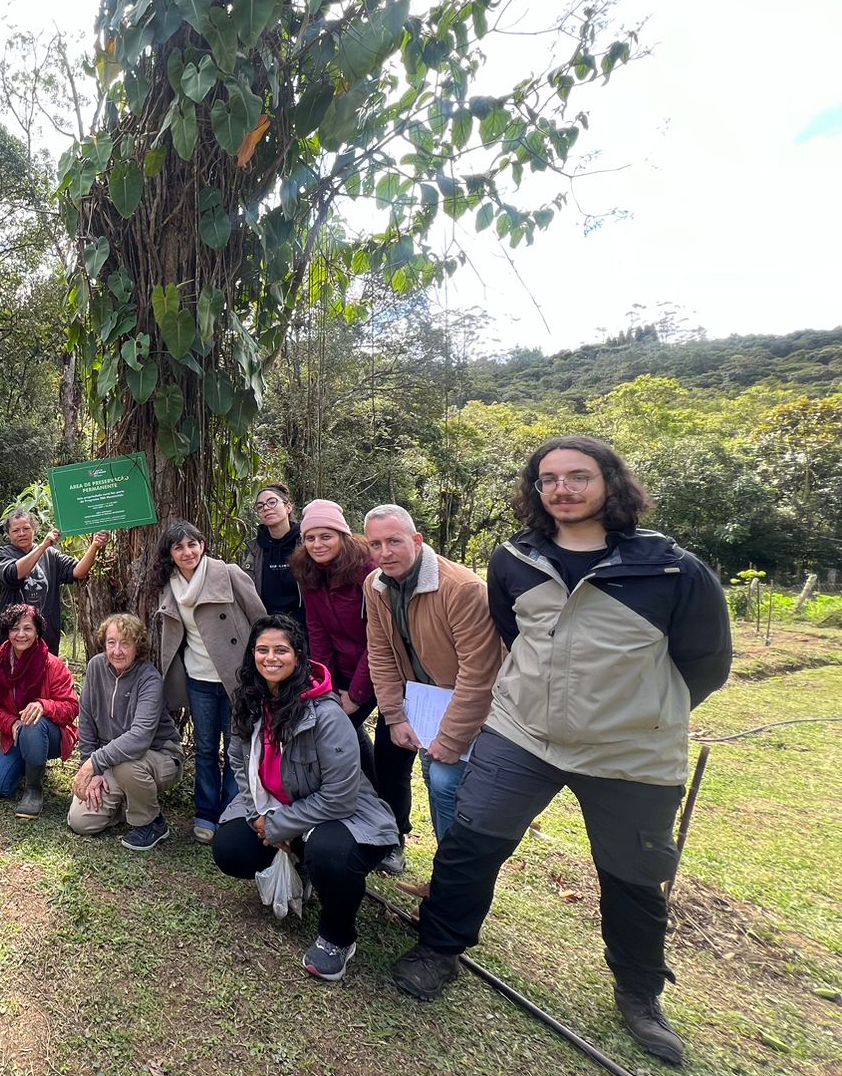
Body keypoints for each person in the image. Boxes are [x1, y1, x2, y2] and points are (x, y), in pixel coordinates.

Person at [392, 437, 733, 1068]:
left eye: (579, 477)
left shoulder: (669, 569)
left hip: (631, 752)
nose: (563, 489)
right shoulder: (516, 560)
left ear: (610, 483)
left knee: (633, 875)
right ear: (536, 491)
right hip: (523, 733)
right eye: (549, 480)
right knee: (472, 841)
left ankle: (638, 992)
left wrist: (642, 712)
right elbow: (512, 633)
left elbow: (707, 664)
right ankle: (439, 948)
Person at [211, 616, 400, 981]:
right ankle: (300, 861)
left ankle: (337, 937)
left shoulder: (327, 715)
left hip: (340, 814)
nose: (270, 658)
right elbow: (238, 760)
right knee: (231, 848)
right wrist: (258, 818)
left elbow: (340, 798)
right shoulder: (251, 702)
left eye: (281, 650)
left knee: (331, 856)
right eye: (262, 650)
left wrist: (279, 824)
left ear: (298, 656)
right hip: (272, 805)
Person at [363, 504, 503, 893]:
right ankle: (448, 879)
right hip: (422, 703)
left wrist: (452, 737)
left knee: (445, 782)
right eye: (376, 544)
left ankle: (455, 886)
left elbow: (481, 674)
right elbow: (381, 653)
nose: (385, 552)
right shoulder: (375, 585)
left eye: (394, 541)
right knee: (434, 779)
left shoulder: (462, 588)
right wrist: (395, 715)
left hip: (470, 705)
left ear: (417, 540)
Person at [290, 499, 412, 858]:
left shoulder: (369, 572)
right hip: (341, 669)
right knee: (331, 734)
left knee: (394, 761)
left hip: (390, 672)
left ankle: (395, 837)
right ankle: (356, 816)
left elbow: (379, 640)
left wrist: (355, 694)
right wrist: (326, 685)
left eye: (326, 536)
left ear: (343, 535)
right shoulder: (309, 572)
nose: (317, 545)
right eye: (310, 538)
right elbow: (317, 631)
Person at [151, 518, 267, 843]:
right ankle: (205, 812)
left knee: (236, 747)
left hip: (236, 678)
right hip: (198, 678)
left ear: (202, 545)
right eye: (179, 546)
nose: (187, 551)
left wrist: (261, 667)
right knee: (204, 748)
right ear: (170, 553)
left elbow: (260, 619)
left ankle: (233, 810)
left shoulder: (226, 573)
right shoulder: (169, 585)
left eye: (193, 544)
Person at [67, 613, 184, 851]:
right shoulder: (96, 667)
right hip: (113, 761)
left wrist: (93, 763)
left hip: (158, 755)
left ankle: (153, 823)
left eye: (125, 643)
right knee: (81, 822)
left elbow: (139, 739)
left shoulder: (149, 678)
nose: (117, 651)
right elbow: (87, 720)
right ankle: (125, 802)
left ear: (137, 645)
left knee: (127, 766)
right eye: (111, 642)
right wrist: (93, 769)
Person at [0, 603, 80, 819]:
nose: (21, 634)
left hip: (49, 734)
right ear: (7, 632)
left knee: (32, 721)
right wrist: (11, 723)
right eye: (15, 628)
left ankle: (34, 788)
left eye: (27, 628)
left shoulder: (52, 665)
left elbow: (71, 707)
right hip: (16, 735)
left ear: (37, 631)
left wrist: (44, 705)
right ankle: (30, 761)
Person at [0, 511, 108, 655]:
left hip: (45, 639)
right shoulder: (2, 554)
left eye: (26, 528)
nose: (21, 533)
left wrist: (94, 546)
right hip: (11, 638)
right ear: (8, 534)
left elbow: (78, 572)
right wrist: (43, 546)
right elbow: (15, 573)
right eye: (16, 530)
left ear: (34, 530)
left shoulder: (51, 555)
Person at [242, 483, 302, 617]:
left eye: (272, 502)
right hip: (266, 627)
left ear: (288, 507)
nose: (266, 508)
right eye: (260, 506)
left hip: (304, 627)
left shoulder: (305, 542)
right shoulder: (254, 549)